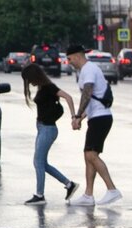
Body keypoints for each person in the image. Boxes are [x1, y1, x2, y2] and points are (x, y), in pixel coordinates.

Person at [65, 45, 122, 206]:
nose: (69, 62)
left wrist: (77, 115)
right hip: (96, 117)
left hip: (101, 118)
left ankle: (112, 190)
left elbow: (88, 93)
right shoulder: (86, 70)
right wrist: (80, 118)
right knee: (88, 155)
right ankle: (88, 195)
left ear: (76, 56)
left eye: (69, 59)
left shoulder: (88, 70)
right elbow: (92, 99)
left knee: (91, 155)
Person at [21, 64, 79, 205]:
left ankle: (40, 195)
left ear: (35, 76)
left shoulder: (48, 87)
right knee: (42, 163)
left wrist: (74, 117)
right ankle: (69, 184)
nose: (30, 83)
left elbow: (69, 97)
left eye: (30, 79)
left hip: (48, 129)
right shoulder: (43, 87)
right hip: (43, 128)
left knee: (38, 162)